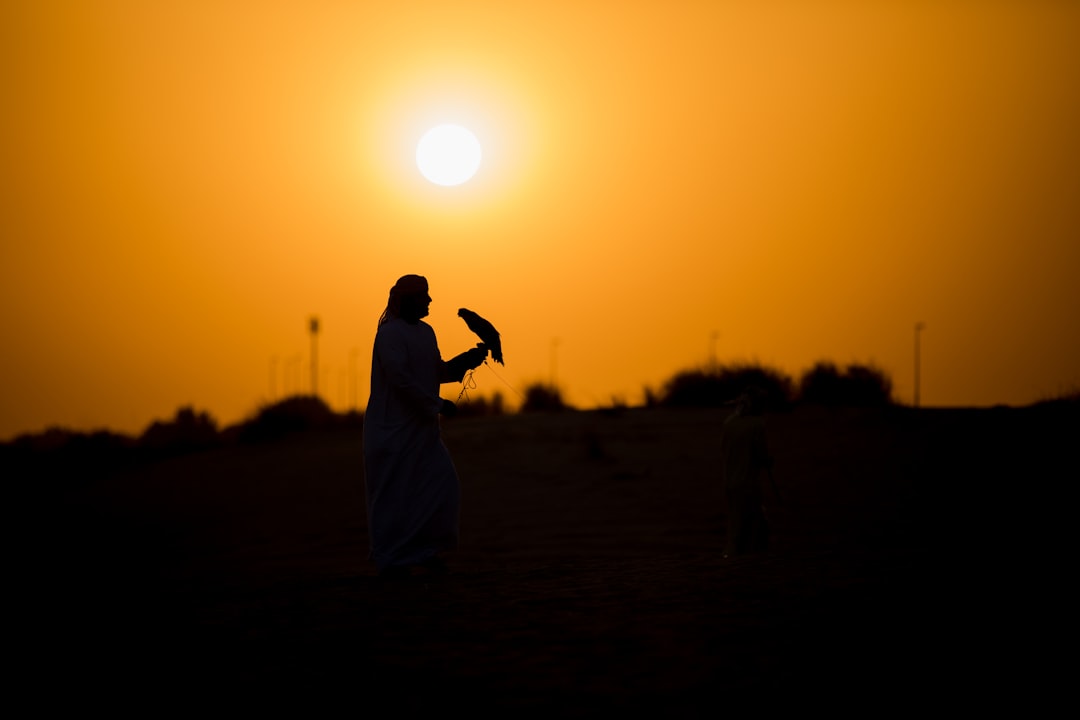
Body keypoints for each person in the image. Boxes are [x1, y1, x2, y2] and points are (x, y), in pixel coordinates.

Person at [362, 274, 488, 578]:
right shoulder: (389, 335)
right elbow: (401, 380)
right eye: (423, 296)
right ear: (407, 300)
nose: (429, 300)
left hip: (423, 434)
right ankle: (391, 561)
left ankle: (425, 552)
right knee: (394, 497)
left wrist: (467, 360)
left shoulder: (427, 332)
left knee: (441, 487)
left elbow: (435, 371)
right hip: (391, 433)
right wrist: (437, 405)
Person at [719, 386, 777, 557]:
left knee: (738, 517)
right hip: (747, 481)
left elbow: (724, 450)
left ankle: (741, 552)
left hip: (730, 480)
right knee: (750, 519)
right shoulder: (756, 424)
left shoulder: (729, 423)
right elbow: (761, 454)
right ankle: (742, 554)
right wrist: (767, 461)